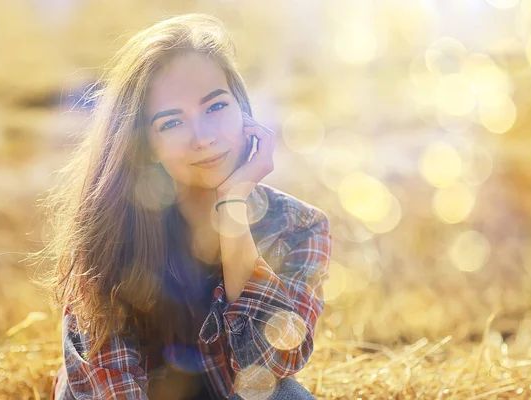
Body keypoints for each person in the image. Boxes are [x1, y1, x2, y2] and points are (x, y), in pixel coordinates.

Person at [37, 13, 332, 400]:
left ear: (243, 109)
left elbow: (272, 364)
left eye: (215, 107)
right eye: (173, 123)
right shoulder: (105, 229)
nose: (204, 138)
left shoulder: (298, 226)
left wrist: (233, 211)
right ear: (145, 143)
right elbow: (112, 386)